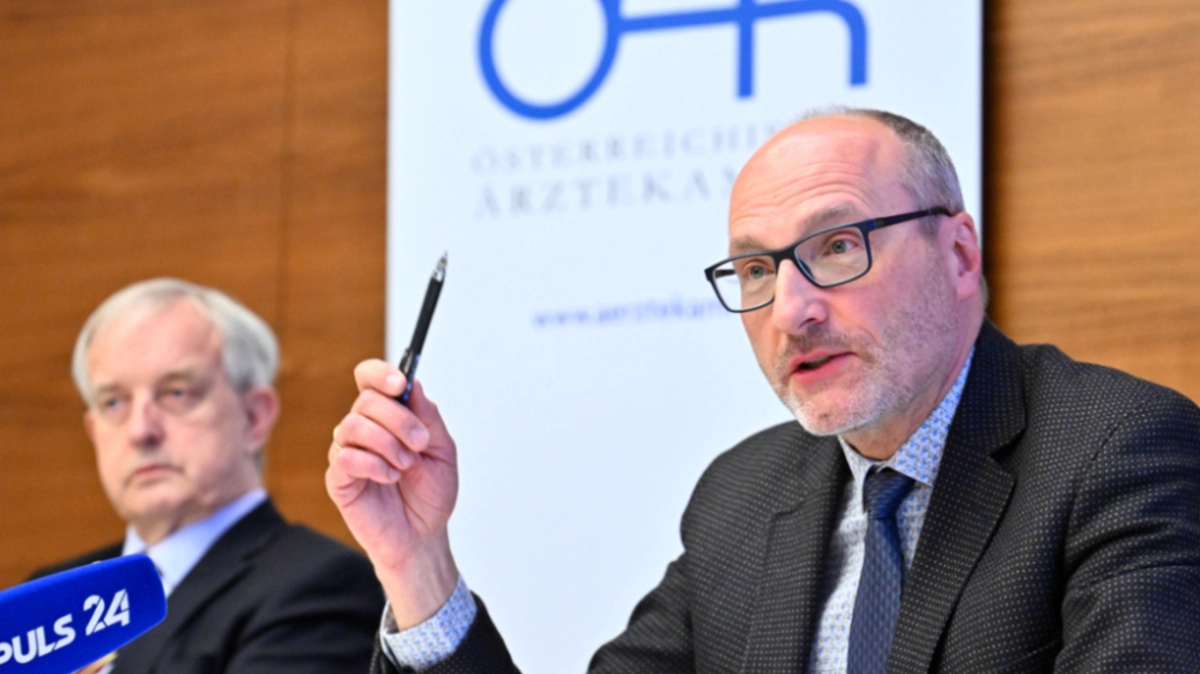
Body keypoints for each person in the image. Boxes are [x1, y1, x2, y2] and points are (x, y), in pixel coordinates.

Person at [326, 109, 1200, 673]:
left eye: (838, 247)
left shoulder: (1120, 450)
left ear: (960, 254)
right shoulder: (742, 497)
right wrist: (417, 561)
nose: (791, 310)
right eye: (755, 270)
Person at [33, 278, 385, 674]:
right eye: (114, 402)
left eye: (176, 393)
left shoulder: (320, 586)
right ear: (93, 431)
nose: (140, 430)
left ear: (254, 418)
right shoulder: (51, 600)